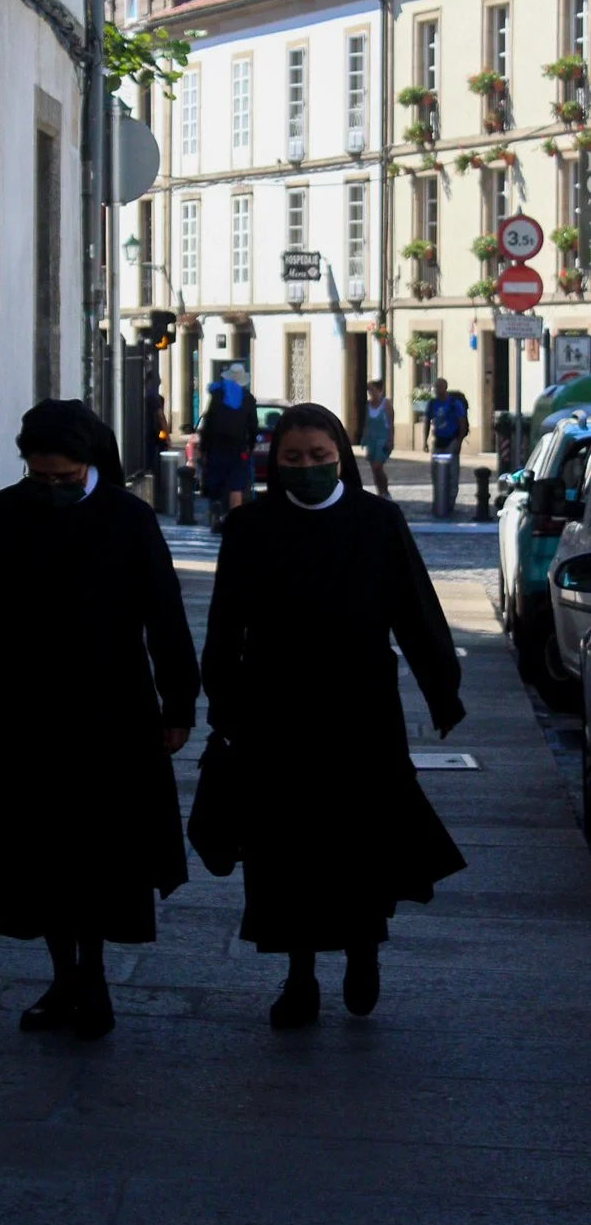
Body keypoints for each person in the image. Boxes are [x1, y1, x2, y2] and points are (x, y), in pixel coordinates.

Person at [200, 402, 466, 1030]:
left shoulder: (378, 521)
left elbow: (417, 611)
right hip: (276, 717)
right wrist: (223, 702)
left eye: (319, 457)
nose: (308, 469)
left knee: (358, 844)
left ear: (340, 455)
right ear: (275, 462)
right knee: (284, 851)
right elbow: (223, 626)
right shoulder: (250, 529)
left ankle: (363, 952)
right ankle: (298, 977)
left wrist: (442, 692)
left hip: (361, 714)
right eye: (292, 459)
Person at [0, 398, 200, 1040]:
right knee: (38, 855)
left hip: (111, 714)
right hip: (25, 711)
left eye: (65, 477)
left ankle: (94, 977)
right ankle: (65, 978)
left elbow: (164, 615)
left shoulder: (128, 518)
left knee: (101, 855)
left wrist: (179, 703)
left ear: (88, 463)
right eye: (41, 477)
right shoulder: (3, 516)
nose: (53, 487)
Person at [198, 363, 259, 528]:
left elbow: (208, 423)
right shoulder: (248, 398)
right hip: (239, 448)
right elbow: (253, 426)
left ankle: (217, 515)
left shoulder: (217, 395)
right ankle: (235, 521)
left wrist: (203, 449)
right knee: (236, 484)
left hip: (217, 446)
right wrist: (251, 445)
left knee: (216, 480)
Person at [423, 377, 469, 518]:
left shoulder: (454, 404)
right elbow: (427, 421)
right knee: (436, 474)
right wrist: (424, 441)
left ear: (445, 387)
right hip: (438, 441)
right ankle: (438, 503)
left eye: (439, 387)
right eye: (435, 387)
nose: (437, 390)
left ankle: (450, 504)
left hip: (451, 441)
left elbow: (462, 422)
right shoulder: (432, 404)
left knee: (452, 475)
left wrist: (459, 442)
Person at [363, 377, 395, 496]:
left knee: (378, 467)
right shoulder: (368, 405)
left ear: (379, 390)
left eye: (372, 389)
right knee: (374, 470)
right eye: (369, 390)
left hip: (383, 439)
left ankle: (385, 491)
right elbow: (366, 424)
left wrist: (391, 440)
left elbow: (391, 423)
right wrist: (365, 441)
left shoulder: (385, 404)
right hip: (372, 440)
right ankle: (380, 491)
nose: (370, 392)